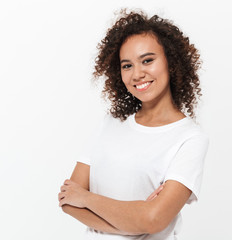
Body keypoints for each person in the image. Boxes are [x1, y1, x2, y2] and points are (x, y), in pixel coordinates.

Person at [58, 9, 209, 239]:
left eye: (147, 60)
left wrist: (87, 198)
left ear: (171, 61)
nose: (137, 74)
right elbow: (68, 199)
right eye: (127, 65)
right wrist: (135, 220)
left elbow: (154, 219)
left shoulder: (189, 138)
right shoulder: (111, 123)